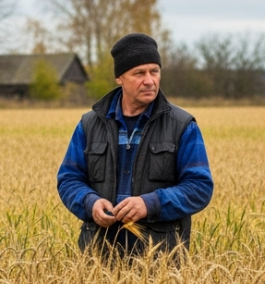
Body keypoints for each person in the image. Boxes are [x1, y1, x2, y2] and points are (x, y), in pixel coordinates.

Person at [56, 33, 214, 257]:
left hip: (160, 259)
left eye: (154, 71)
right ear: (119, 78)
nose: (149, 80)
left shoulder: (183, 126)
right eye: (139, 73)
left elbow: (199, 188)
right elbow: (69, 179)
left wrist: (151, 204)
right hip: (97, 258)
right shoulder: (89, 125)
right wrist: (90, 203)